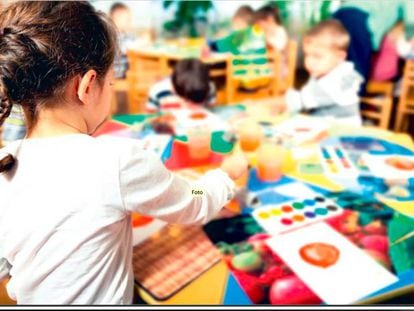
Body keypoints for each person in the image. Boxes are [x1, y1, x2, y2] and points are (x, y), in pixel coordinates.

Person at [0, 1, 248, 304]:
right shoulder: (117, 161)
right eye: (111, 81)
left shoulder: (6, 162)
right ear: (87, 86)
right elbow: (194, 202)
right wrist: (226, 175)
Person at [274, 19, 363, 127]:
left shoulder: (336, 82)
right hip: (325, 127)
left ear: (339, 57)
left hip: (341, 135)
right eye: (307, 55)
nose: (309, 62)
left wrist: (258, 104)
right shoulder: (321, 72)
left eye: (317, 56)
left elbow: (295, 101)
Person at [146, 58, 216, 113]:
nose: (190, 105)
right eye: (186, 100)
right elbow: (150, 114)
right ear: (173, 88)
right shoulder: (159, 90)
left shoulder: (207, 87)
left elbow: (211, 109)